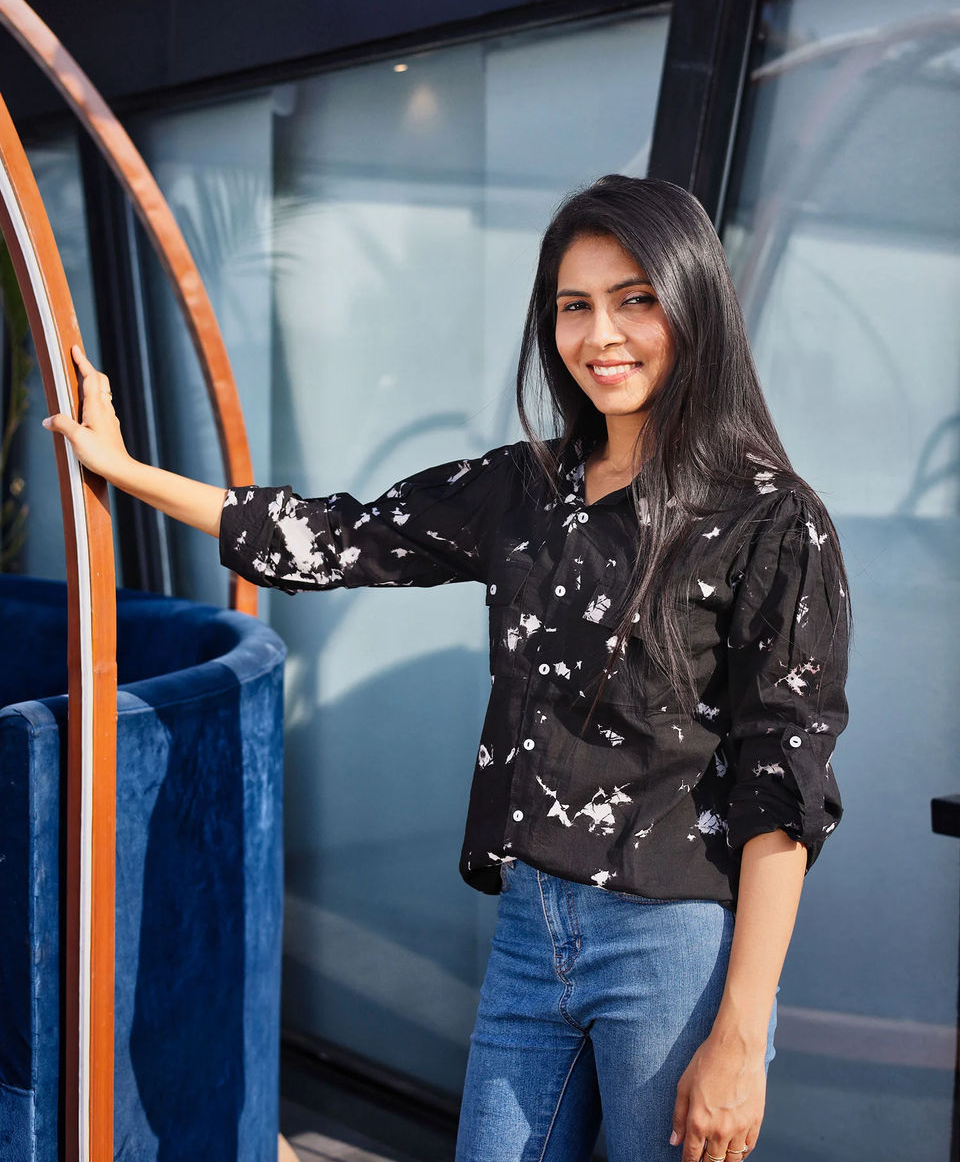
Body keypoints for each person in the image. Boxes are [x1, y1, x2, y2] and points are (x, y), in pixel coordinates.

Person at [44, 175, 851, 1162]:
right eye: (574, 305)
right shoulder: (525, 487)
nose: (602, 334)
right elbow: (339, 535)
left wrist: (741, 1031)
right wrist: (124, 471)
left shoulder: (772, 517)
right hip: (531, 926)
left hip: (674, 940)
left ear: (693, 304)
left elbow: (785, 786)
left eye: (635, 298)